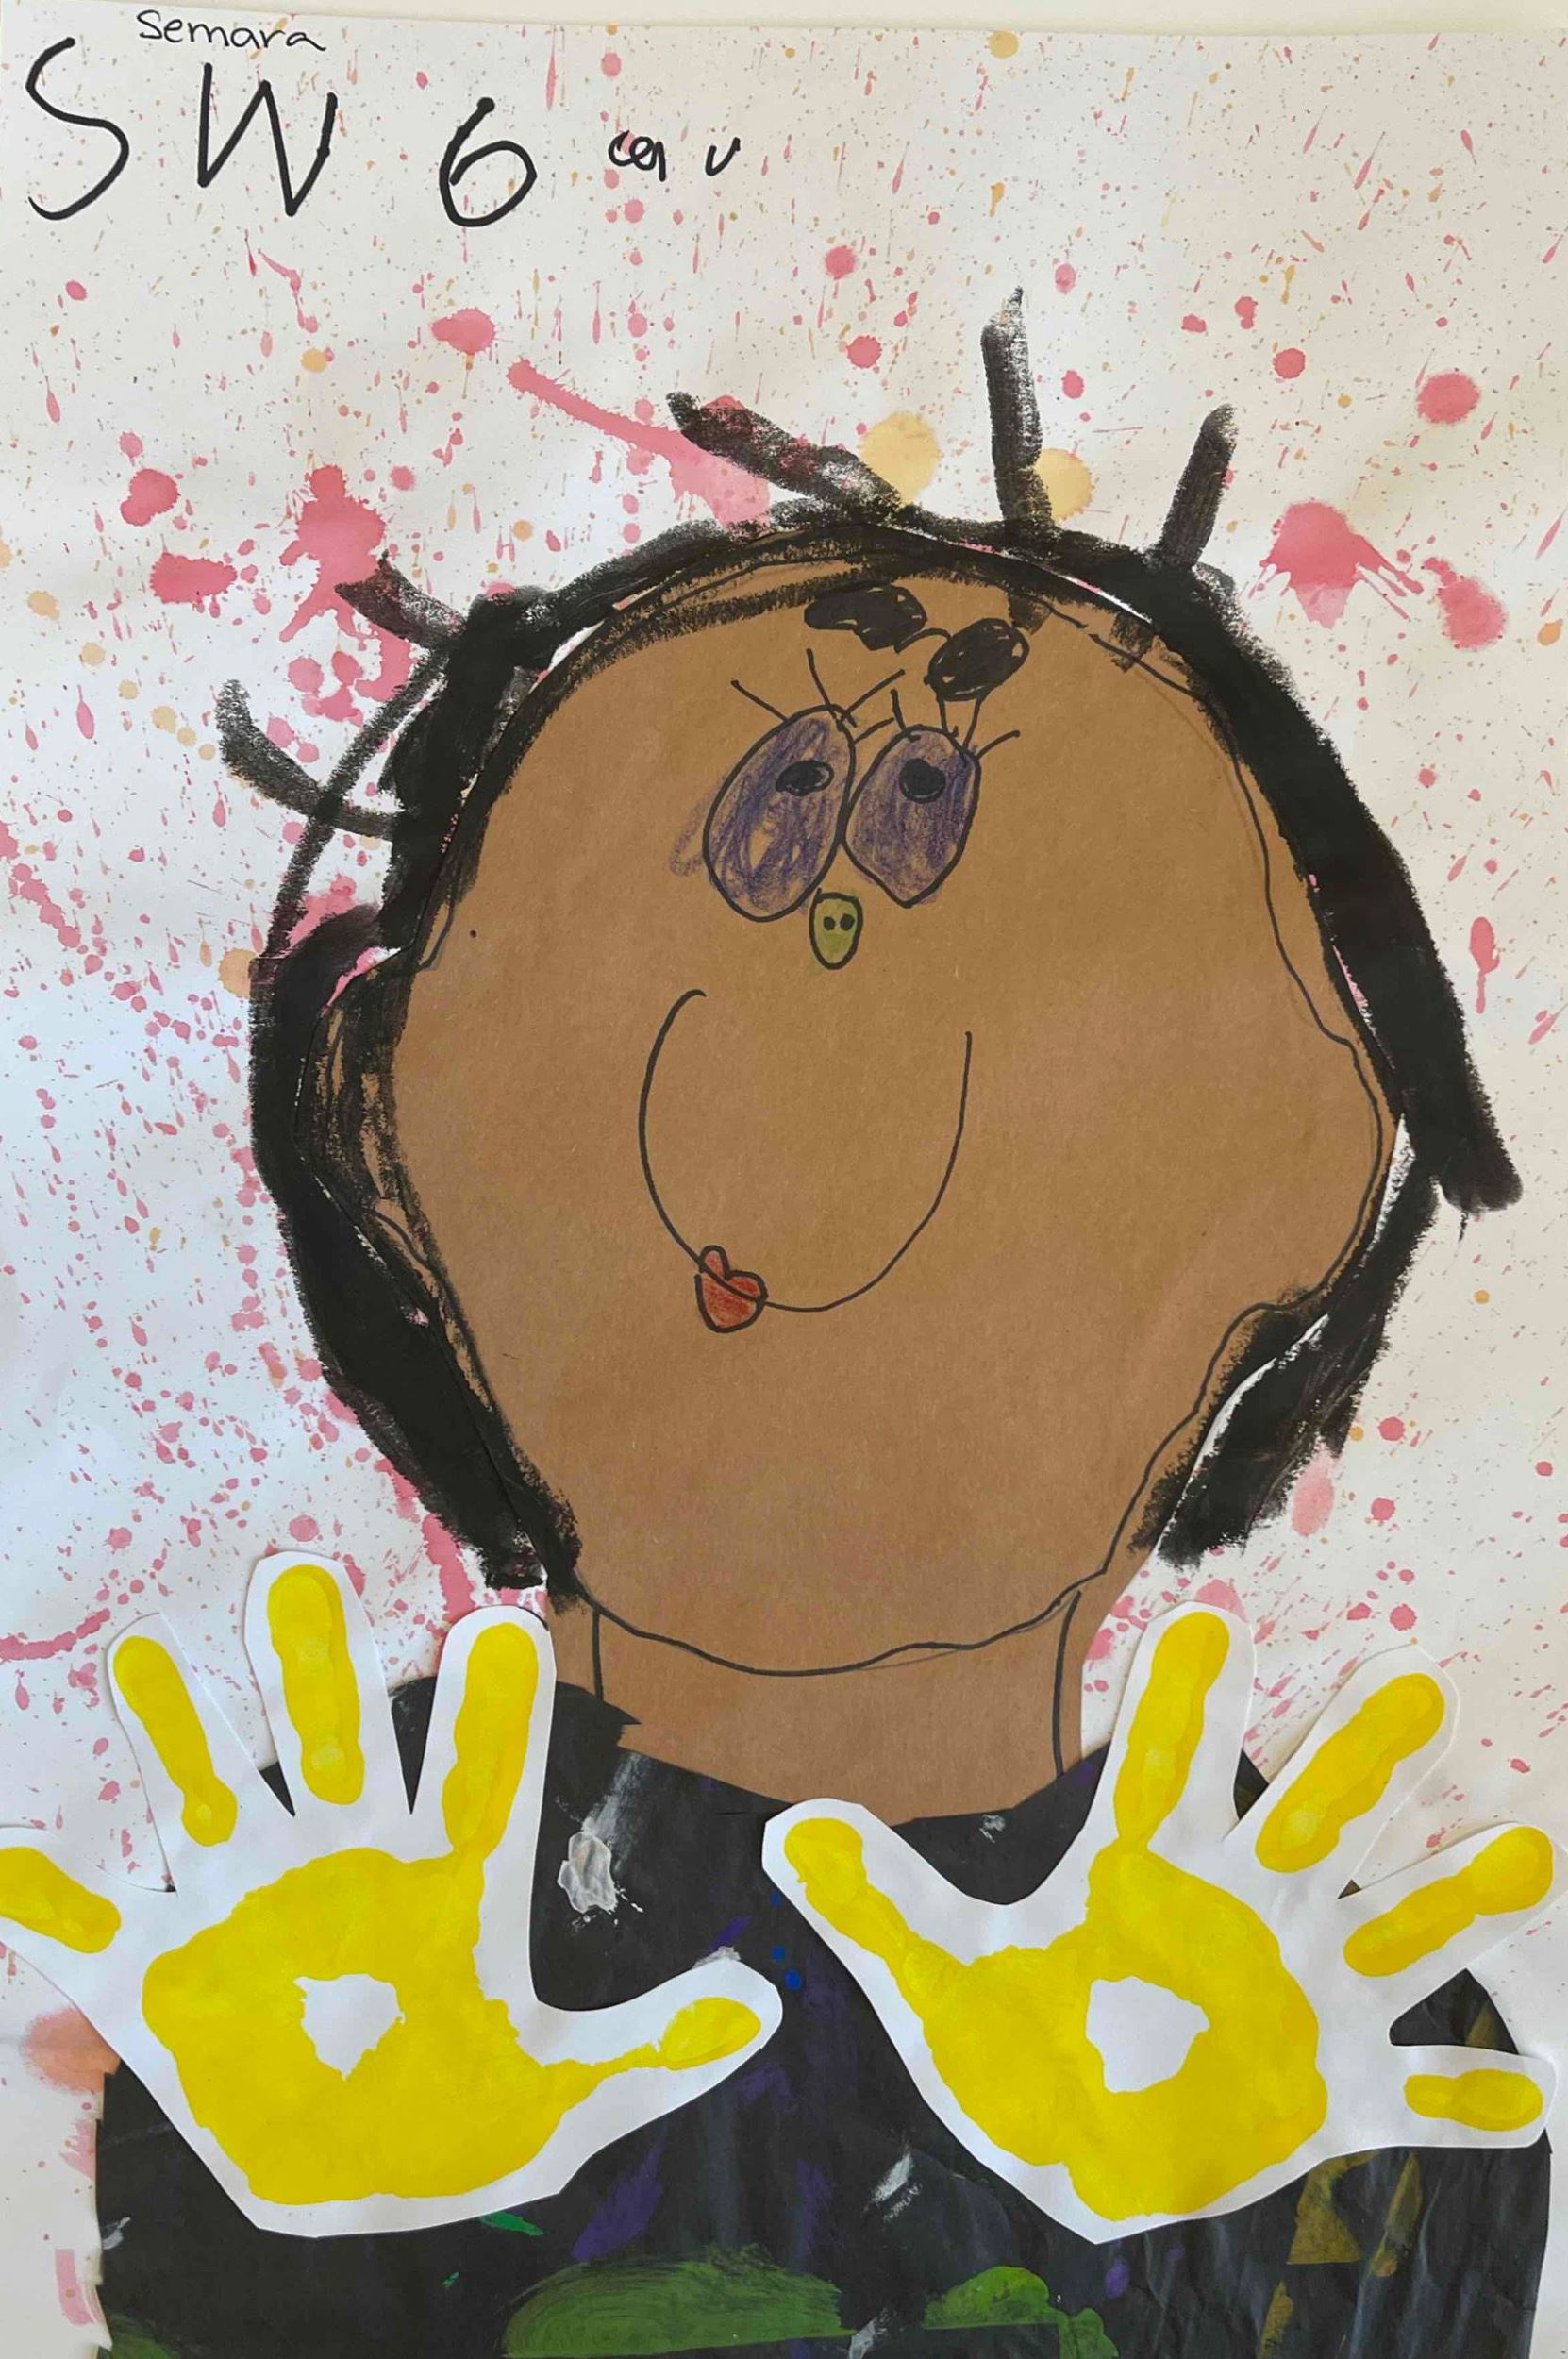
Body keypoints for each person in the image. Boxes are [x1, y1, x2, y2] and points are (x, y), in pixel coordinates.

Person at [97, 298, 1543, 2359]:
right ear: (381, 1112)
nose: (807, 1132)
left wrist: (1205, 2234)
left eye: (1078, 1048)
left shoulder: (1327, 2005)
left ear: (1318, 1187)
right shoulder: (319, 1935)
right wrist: (310, 2221)